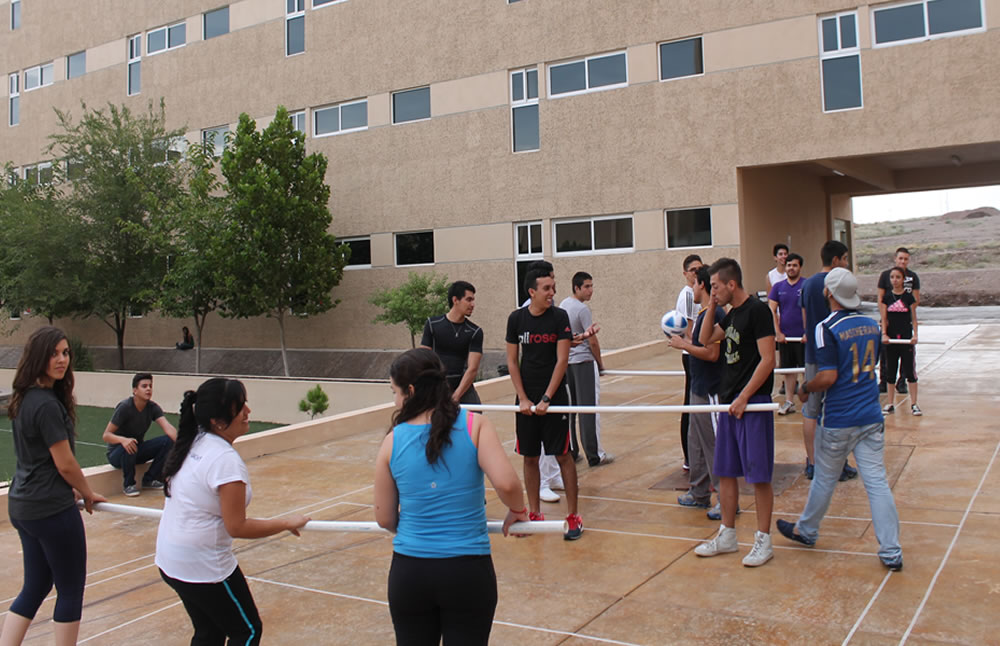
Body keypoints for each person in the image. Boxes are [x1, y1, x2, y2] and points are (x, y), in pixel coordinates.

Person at [374, 348, 527, 646]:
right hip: (467, 572)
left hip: (410, 573)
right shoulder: (474, 424)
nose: (395, 401)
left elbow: (385, 517)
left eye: (395, 392)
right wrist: (518, 510)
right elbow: (508, 485)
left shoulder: (392, 440)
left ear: (412, 391)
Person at [156, 378, 310, 645]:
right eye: (240, 407)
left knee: (209, 632)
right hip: (203, 567)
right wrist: (285, 522)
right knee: (247, 631)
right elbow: (237, 526)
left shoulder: (195, 441)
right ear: (217, 420)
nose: (248, 412)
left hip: (171, 560)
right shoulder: (224, 460)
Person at [777, 268, 903, 572]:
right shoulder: (870, 324)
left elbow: (829, 376)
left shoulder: (826, 328)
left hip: (839, 419)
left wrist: (805, 388)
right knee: (877, 483)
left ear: (829, 293)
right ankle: (891, 551)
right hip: (871, 415)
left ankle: (806, 530)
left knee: (824, 478)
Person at [0, 326, 107, 646]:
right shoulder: (46, 404)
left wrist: (70, 487)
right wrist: (86, 492)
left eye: (66, 353)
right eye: (54, 353)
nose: (62, 360)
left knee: (35, 586)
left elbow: (40, 461)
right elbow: (64, 463)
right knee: (71, 589)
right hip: (49, 510)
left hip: (23, 506)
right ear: (38, 357)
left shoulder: (25, 399)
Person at [694, 258, 777, 567]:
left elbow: (768, 359)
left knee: (758, 475)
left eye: (715, 286)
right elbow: (705, 339)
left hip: (752, 404)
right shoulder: (730, 314)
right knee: (726, 472)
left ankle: (763, 540)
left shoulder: (757, 311)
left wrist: (745, 397)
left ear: (731, 284)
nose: (711, 291)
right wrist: (712, 305)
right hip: (730, 403)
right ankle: (727, 535)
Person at [506, 267, 583, 539]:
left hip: (555, 398)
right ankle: (534, 513)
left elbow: (562, 360)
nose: (552, 293)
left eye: (553, 287)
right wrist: (525, 398)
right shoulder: (516, 319)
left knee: (563, 455)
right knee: (530, 457)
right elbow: (512, 362)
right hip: (526, 399)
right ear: (532, 292)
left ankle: (573, 515)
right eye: (546, 288)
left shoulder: (559, 317)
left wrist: (547, 398)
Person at [668, 266, 725, 519]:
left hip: (710, 390)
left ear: (701, 285)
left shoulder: (715, 314)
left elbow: (712, 354)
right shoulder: (702, 314)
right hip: (698, 387)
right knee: (696, 443)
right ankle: (699, 492)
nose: (691, 288)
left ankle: (726, 499)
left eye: (694, 283)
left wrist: (683, 344)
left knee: (713, 445)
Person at [799, 241, 858, 482]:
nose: (846, 263)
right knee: (831, 410)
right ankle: (833, 464)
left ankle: (816, 463)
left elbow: (805, 318)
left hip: (813, 354)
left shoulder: (807, 285)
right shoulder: (839, 284)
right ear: (835, 261)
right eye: (844, 259)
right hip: (836, 357)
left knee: (812, 411)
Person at [559, 271, 613, 468]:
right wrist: (599, 364)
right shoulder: (582, 309)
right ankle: (595, 454)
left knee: (572, 409)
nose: (591, 290)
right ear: (577, 288)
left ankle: (572, 451)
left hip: (568, 364)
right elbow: (593, 341)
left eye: (592, 286)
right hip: (583, 362)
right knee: (589, 409)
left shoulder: (564, 305)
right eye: (587, 287)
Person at [102, 373, 178, 496]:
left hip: (136, 450)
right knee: (130, 443)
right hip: (117, 454)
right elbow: (106, 435)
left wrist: (182, 446)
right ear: (135, 390)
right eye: (144, 386)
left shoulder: (153, 407)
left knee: (168, 440)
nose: (148, 389)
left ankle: (150, 479)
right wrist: (123, 440)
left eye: (150, 386)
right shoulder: (125, 407)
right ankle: (129, 485)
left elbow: (167, 427)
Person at [420, 280, 484, 404]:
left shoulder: (475, 331)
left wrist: (456, 396)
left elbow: (473, 368)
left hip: (463, 388)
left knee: (475, 418)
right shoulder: (432, 324)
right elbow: (423, 359)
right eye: (469, 300)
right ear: (455, 300)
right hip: (437, 386)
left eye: (473, 300)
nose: (473, 304)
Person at [877, 247, 920, 394]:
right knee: (887, 352)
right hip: (889, 321)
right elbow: (881, 299)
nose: (903, 261)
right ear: (895, 258)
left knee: (905, 353)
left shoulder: (913, 277)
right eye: (900, 258)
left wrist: (908, 316)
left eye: (906, 259)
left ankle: (902, 382)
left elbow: (915, 301)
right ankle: (884, 381)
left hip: (904, 322)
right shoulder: (885, 276)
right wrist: (885, 320)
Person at [675, 254, 703, 471]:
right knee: (690, 403)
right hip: (691, 355)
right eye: (692, 270)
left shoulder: (699, 293)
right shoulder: (686, 295)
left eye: (699, 269)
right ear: (685, 273)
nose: (696, 273)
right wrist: (698, 348)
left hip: (696, 352)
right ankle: (689, 457)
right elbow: (688, 328)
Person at [768, 252, 805, 416]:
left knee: (806, 371)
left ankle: (810, 403)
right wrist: (778, 332)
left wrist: (808, 332)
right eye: (789, 265)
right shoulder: (778, 287)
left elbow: (811, 310)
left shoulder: (807, 285)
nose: (791, 268)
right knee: (789, 372)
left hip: (804, 338)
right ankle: (789, 402)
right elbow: (772, 310)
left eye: (794, 265)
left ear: (800, 267)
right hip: (786, 338)